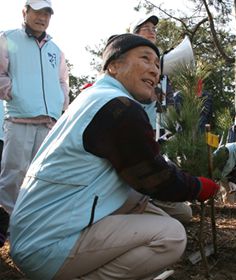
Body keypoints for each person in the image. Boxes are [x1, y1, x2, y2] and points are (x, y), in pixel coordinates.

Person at [9, 33, 219, 280]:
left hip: (34, 234)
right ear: (114, 65)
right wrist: (197, 187)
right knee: (170, 236)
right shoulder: (119, 107)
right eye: (145, 59)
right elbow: (154, 178)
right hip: (47, 248)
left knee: (149, 208)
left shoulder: (94, 98)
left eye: (157, 65)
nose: (155, 70)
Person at [0, 0, 69, 247]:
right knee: (13, 175)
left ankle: (32, 227)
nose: (42, 17)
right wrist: (13, 92)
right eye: (37, 11)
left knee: (42, 175)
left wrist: (60, 103)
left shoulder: (56, 49)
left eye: (47, 13)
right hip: (19, 119)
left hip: (49, 122)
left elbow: (62, 79)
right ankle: (8, 229)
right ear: (25, 12)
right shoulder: (7, 38)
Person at [132, 15, 193, 223]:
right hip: (140, 128)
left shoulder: (161, 62)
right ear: (134, 34)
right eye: (145, 28)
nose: (152, 31)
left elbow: (167, 99)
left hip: (161, 126)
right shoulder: (129, 62)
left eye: (154, 29)